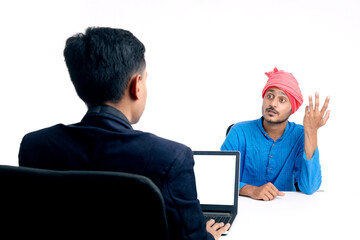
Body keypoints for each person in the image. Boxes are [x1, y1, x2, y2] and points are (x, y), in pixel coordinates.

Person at [18, 27, 230, 240]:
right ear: (136, 85)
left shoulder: (34, 146)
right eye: (145, 80)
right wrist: (208, 236)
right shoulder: (172, 158)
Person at [221, 67, 330, 201]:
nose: (273, 104)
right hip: (245, 208)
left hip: (286, 210)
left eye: (282, 100)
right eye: (270, 96)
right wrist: (252, 190)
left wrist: (311, 132)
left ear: (292, 109)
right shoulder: (239, 131)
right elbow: (221, 178)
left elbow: (309, 187)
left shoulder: (300, 135)